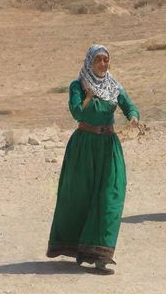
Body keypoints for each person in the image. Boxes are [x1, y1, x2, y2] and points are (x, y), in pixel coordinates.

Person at [46, 44, 140, 274]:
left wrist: (134, 117)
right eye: (98, 59)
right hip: (84, 146)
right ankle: (78, 247)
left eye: (106, 60)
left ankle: (100, 255)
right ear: (90, 62)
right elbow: (77, 112)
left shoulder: (113, 85)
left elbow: (129, 105)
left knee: (110, 196)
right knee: (79, 197)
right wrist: (88, 98)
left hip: (109, 146)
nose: (103, 64)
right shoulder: (78, 85)